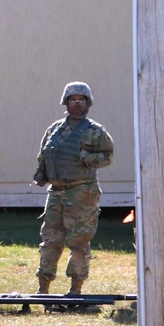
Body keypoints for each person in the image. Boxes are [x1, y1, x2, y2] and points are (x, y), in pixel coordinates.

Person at [33, 81, 114, 296]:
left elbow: (108, 156)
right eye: (73, 100)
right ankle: (43, 288)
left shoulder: (95, 131)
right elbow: (44, 153)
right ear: (66, 102)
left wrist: (88, 158)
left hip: (82, 193)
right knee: (50, 240)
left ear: (88, 103)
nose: (77, 104)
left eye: (81, 100)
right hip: (56, 192)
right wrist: (43, 171)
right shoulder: (54, 129)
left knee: (78, 242)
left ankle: (75, 290)